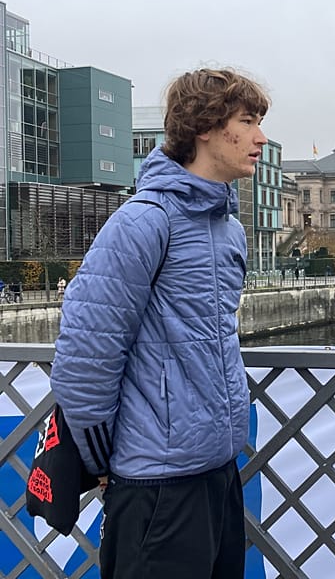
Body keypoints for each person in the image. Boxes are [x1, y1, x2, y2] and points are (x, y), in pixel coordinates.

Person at [50, 68, 270, 579]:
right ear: (205, 127)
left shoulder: (229, 229)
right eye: (247, 121)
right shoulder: (145, 220)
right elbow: (85, 355)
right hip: (156, 485)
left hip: (217, 470)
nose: (260, 137)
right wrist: (103, 461)